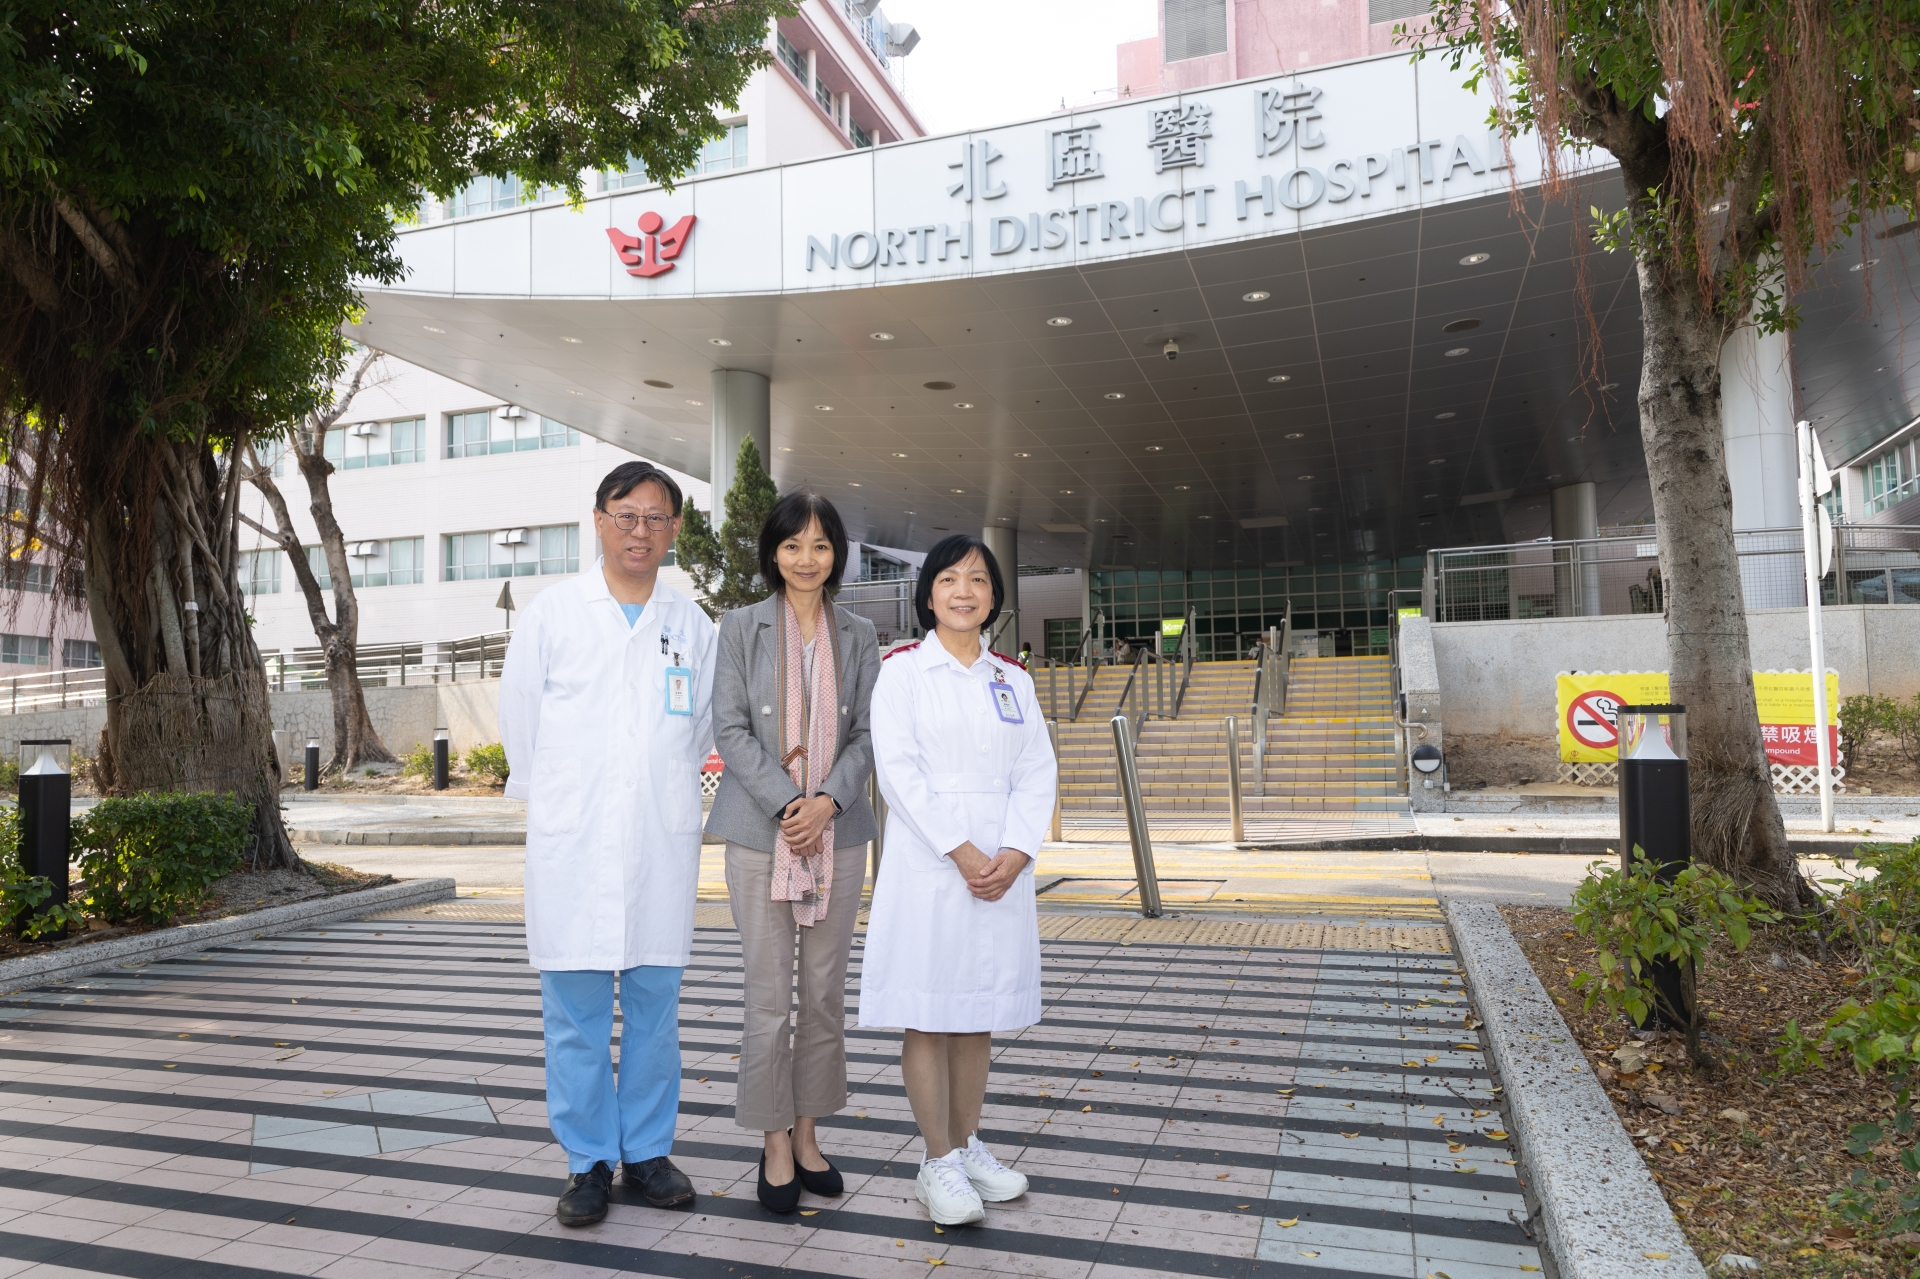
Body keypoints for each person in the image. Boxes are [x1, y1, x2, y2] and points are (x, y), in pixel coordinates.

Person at [499, 461, 717, 1227]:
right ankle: (587, 1159)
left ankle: (649, 1151)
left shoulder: (691, 625)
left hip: (660, 844)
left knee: (656, 1015)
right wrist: (556, 798)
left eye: (658, 519)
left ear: (674, 532)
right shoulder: (554, 614)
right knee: (578, 1018)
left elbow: (703, 734)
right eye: (627, 515)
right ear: (598, 519)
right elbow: (521, 725)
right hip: (574, 843)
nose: (641, 531)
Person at [860, 534, 1056, 1226]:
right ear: (929, 595)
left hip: (1000, 872)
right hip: (930, 868)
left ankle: (971, 1145)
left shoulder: (1013, 678)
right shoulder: (904, 672)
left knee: (978, 1014)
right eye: (949, 579)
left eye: (977, 579)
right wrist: (964, 850)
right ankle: (936, 1159)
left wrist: (1015, 849)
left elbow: (1037, 771)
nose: (964, 590)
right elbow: (901, 773)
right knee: (929, 1011)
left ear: (994, 596)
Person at [706, 492, 880, 1214]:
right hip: (758, 832)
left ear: (836, 553)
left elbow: (872, 733)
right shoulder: (740, 628)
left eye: (820, 545)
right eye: (792, 545)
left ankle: (809, 1135)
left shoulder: (860, 632)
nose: (806, 559)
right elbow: (730, 724)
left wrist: (827, 802)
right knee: (769, 997)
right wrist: (787, 804)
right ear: (772, 553)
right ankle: (774, 1140)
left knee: (826, 997)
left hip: (838, 834)